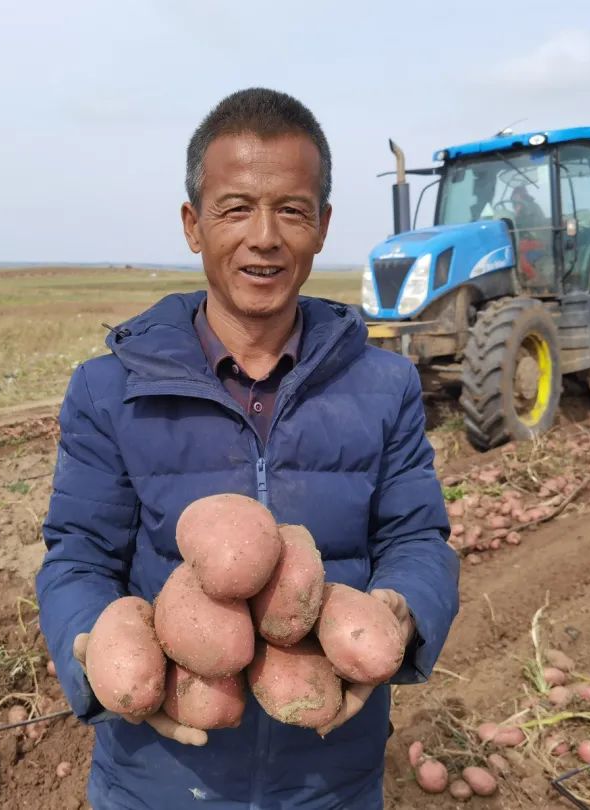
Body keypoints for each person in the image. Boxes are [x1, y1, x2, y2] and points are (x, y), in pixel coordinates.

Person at [36, 87, 460, 810]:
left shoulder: (384, 384)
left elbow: (418, 537)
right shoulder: (110, 391)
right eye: (235, 208)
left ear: (322, 226)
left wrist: (399, 610)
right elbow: (77, 553)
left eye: (291, 210)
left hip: (330, 772)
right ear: (193, 225)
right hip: (157, 778)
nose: (264, 236)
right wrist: (91, 644)